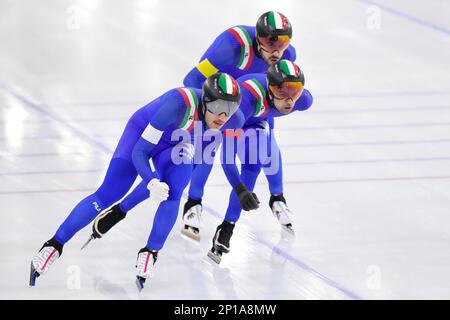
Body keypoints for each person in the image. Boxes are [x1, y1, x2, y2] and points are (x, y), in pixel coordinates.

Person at [29, 73, 246, 289]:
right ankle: (54, 245)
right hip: (141, 134)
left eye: (230, 108)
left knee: (175, 188)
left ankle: (150, 251)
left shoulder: (233, 121)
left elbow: (197, 162)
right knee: (109, 193)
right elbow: (140, 152)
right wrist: (151, 181)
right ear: (206, 100)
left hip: (177, 146)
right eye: (217, 106)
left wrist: (146, 191)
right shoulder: (178, 103)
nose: (223, 115)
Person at [207, 60, 313, 263]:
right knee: (252, 165)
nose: (289, 100)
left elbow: (287, 101)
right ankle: (227, 227)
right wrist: (239, 189)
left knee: (269, 148)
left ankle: (277, 198)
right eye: (282, 93)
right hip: (238, 118)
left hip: (261, 117)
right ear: (271, 90)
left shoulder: (303, 100)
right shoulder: (246, 103)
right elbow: (227, 157)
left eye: (295, 92)